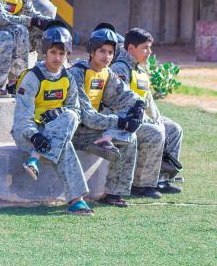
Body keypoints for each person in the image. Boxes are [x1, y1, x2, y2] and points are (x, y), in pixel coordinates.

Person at [11, 26, 94, 215]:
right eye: (53, 52)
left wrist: (59, 113)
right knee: (65, 144)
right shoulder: (32, 78)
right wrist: (35, 136)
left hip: (54, 134)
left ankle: (35, 158)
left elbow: (75, 111)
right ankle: (77, 200)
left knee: (70, 116)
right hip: (28, 135)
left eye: (62, 53)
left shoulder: (68, 79)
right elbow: (22, 118)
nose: (57, 58)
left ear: (67, 54)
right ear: (45, 52)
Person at [68, 27, 146, 207]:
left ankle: (114, 193)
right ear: (92, 51)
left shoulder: (107, 73)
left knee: (130, 138)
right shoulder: (77, 73)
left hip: (94, 130)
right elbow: (87, 116)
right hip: (75, 132)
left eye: (110, 52)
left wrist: (139, 106)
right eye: (102, 51)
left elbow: (124, 95)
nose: (107, 56)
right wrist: (121, 121)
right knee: (124, 130)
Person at [111, 28, 184, 195]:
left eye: (150, 48)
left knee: (174, 129)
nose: (149, 52)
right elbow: (121, 103)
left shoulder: (140, 70)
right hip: (124, 121)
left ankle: (161, 179)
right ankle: (141, 185)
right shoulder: (120, 69)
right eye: (145, 48)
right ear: (131, 48)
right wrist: (151, 122)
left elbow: (149, 101)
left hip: (141, 118)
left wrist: (157, 120)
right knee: (155, 132)